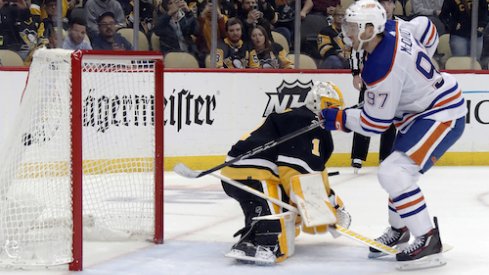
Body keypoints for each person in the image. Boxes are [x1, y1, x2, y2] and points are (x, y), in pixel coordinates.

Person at [320, 0, 465, 265]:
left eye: (352, 27)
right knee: (396, 170)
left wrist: (337, 118)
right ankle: (401, 229)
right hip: (420, 112)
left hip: (441, 114)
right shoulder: (396, 26)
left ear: (368, 29)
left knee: (394, 172)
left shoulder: (381, 67)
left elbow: (375, 124)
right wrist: (414, 75)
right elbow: (428, 30)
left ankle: (428, 239)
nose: (346, 31)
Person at [221, 81, 350, 264]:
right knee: (276, 227)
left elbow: (312, 174)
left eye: (337, 109)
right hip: (253, 171)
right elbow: (297, 174)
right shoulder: (307, 121)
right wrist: (325, 207)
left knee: (284, 201)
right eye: (329, 106)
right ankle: (263, 243)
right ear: (316, 101)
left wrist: (332, 204)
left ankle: (253, 235)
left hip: (245, 170)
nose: (333, 113)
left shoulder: (303, 120)